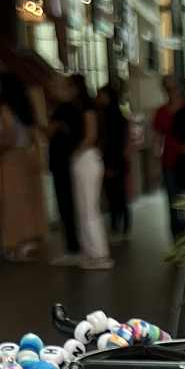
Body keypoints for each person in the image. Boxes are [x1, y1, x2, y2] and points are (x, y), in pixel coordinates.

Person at [0, 71, 47, 261]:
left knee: (13, 202)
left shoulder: (5, 108)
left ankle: (16, 246)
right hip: (28, 156)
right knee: (29, 199)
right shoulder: (26, 108)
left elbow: (10, 136)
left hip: (12, 158)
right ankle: (30, 241)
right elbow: (33, 135)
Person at [65, 74, 110, 270]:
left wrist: (75, 153)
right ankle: (91, 252)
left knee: (89, 208)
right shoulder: (84, 107)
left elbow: (90, 136)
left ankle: (99, 254)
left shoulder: (87, 108)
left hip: (87, 159)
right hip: (85, 159)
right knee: (84, 208)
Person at [45, 75, 83, 261]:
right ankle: (75, 244)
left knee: (65, 205)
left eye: (54, 86)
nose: (50, 91)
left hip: (62, 162)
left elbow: (48, 132)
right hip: (70, 161)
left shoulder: (62, 110)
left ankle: (72, 247)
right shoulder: (75, 108)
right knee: (72, 203)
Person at [96, 82, 129, 239]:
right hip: (114, 160)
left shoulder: (112, 117)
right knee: (116, 194)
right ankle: (121, 225)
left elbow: (115, 143)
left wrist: (111, 165)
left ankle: (120, 226)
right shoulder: (108, 115)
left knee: (116, 194)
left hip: (113, 161)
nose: (98, 98)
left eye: (101, 95)